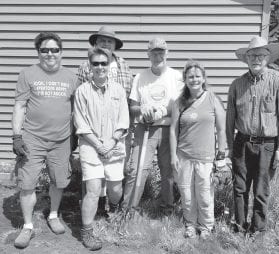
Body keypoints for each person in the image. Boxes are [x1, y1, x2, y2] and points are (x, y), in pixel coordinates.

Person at [12, 32, 77, 249]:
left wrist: (76, 136)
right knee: (27, 183)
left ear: (61, 52)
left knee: (59, 181)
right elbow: (20, 106)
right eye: (45, 50)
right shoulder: (27, 74)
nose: (50, 54)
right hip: (33, 139)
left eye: (54, 50)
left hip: (61, 139)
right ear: (38, 52)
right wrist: (16, 135)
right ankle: (28, 226)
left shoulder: (71, 77)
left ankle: (54, 215)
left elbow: (77, 109)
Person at [226, 36, 279, 236]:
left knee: (261, 191)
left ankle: (258, 230)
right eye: (252, 55)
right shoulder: (237, 85)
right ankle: (239, 227)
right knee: (240, 188)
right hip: (242, 143)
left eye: (261, 55)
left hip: (268, 146)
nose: (256, 59)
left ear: (268, 57)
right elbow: (230, 120)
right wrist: (229, 148)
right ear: (246, 59)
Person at [74, 47, 129, 250]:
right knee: (93, 190)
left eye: (103, 63)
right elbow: (80, 123)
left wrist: (111, 143)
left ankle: (112, 209)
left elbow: (124, 121)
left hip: (114, 146)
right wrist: (98, 145)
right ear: (90, 66)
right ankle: (87, 232)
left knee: (115, 190)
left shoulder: (118, 90)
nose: (99, 67)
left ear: (109, 66)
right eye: (95, 63)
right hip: (90, 147)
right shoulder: (82, 92)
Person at [122, 37, 184, 212]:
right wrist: (142, 109)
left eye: (161, 52)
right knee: (137, 169)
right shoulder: (141, 77)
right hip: (145, 129)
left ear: (167, 53)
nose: (158, 56)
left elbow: (182, 105)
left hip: (168, 130)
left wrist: (165, 111)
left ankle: (168, 207)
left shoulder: (176, 77)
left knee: (168, 170)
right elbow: (132, 106)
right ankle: (128, 209)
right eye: (154, 52)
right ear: (148, 54)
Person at [76, 26, 133, 215]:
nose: (106, 44)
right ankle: (98, 207)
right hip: (92, 127)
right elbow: (81, 95)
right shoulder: (86, 65)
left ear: (114, 45)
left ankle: (113, 203)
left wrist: (115, 137)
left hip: (117, 127)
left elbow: (129, 94)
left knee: (115, 176)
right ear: (96, 43)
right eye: (102, 41)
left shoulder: (123, 64)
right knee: (94, 178)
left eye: (110, 41)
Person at [169, 60, 226, 239]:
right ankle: (190, 225)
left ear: (203, 78)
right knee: (186, 194)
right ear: (185, 79)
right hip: (184, 156)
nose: (194, 79)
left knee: (205, 194)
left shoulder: (212, 98)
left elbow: (222, 129)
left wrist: (221, 155)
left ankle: (206, 227)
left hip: (206, 157)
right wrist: (173, 155)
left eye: (197, 76)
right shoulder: (180, 102)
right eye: (190, 76)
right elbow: (172, 130)